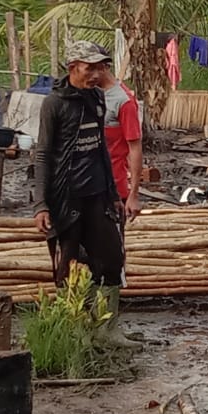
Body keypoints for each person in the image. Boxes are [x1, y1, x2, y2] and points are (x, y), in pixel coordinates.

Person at [34, 41, 138, 348]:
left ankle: (107, 332)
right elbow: (42, 155)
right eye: (89, 67)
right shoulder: (54, 104)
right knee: (67, 267)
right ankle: (76, 334)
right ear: (73, 68)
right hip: (65, 198)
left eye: (101, 67)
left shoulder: (97, 98)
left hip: (97, 195)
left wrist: (114, 194)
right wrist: (41, 204)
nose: (96, 74)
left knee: (111, 260)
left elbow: (102, 152)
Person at [98, 61, 143, 222]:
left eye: (92, 69)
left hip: (114, 189)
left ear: (104, 67)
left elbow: (135, 147)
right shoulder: (87, 93)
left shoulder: (123, 101)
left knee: (110, 245)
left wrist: (134, 194)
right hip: (86, 187)